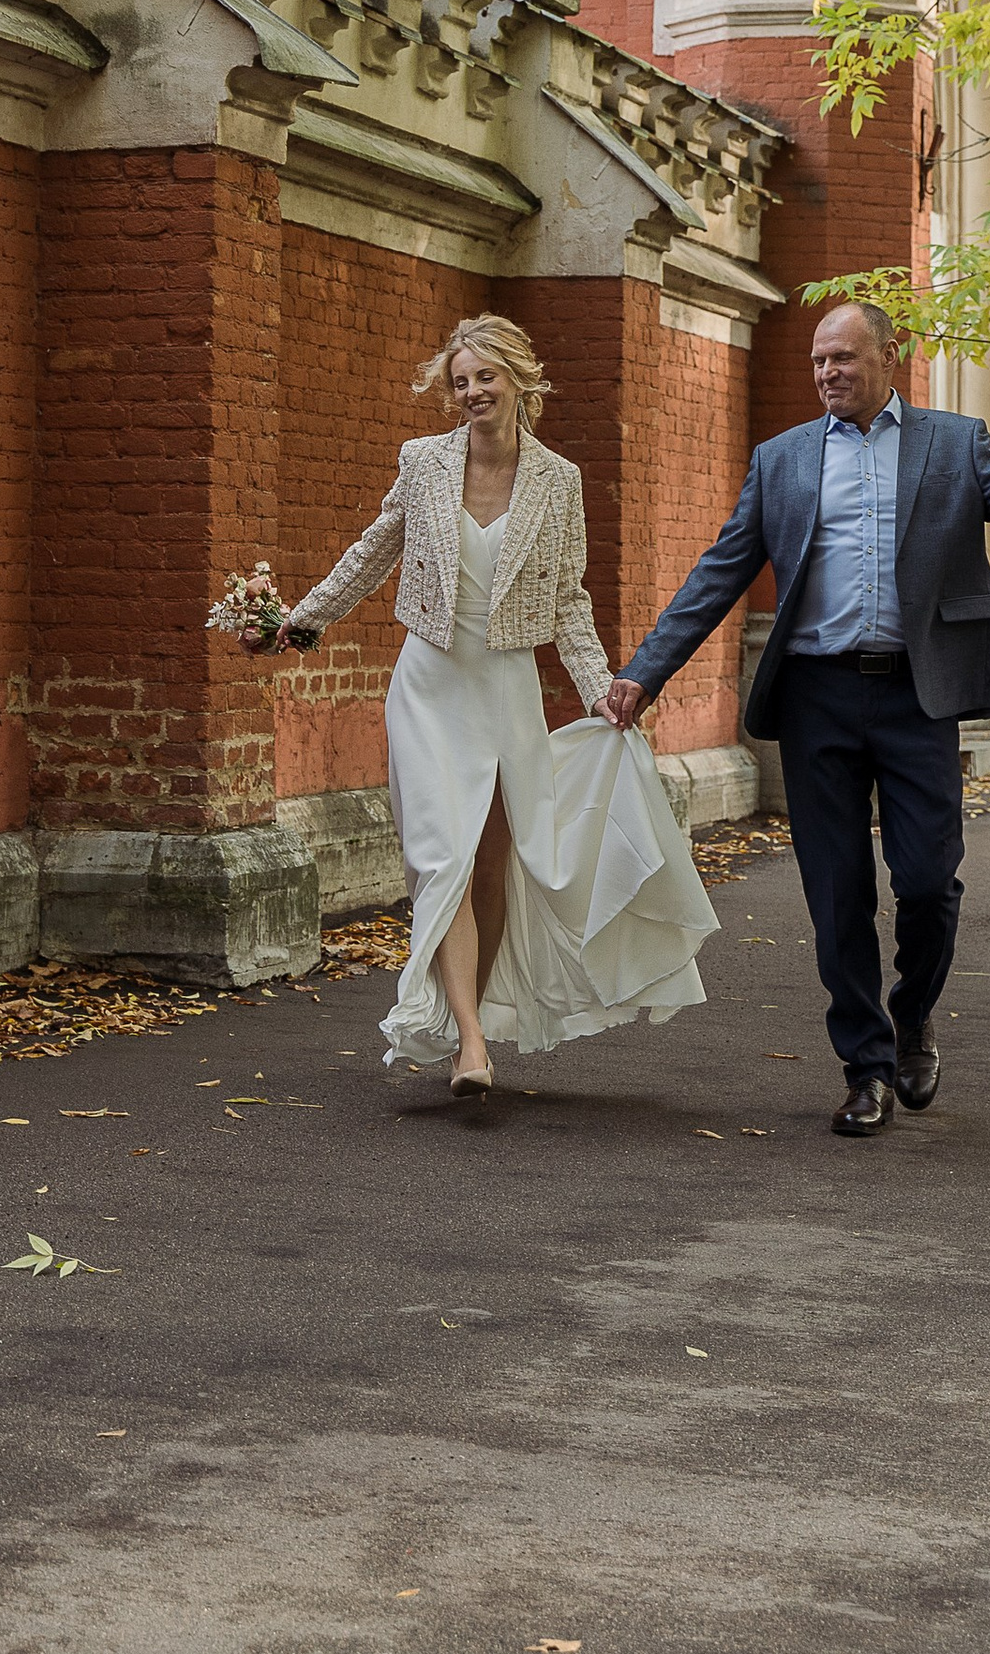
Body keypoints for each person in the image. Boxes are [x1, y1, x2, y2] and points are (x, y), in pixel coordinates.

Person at [604, 300, 990, 1137]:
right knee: (837, 896)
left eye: (844, 358)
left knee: (929, 882)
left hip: (914, 695)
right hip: (818, 697)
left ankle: (914, 1014)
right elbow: (717, 574)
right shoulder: (782, 459)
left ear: (890, 357)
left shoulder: (953, 442)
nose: (828, 373)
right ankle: (865, 1068)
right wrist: (643, 675)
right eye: (819, 361)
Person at [262, 316, 718, 1097]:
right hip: (430, 684)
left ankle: (475, 1008)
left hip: (506, 687)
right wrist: (297, 623)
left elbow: (568, 597)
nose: (471, 392)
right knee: (443, 856)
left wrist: (599, 689)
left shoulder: (558, 480)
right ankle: (471, 1040)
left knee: (497, 863)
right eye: (460, 381)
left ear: (519, 380)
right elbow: (374, 549)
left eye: (484, 377)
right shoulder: (424, 462)